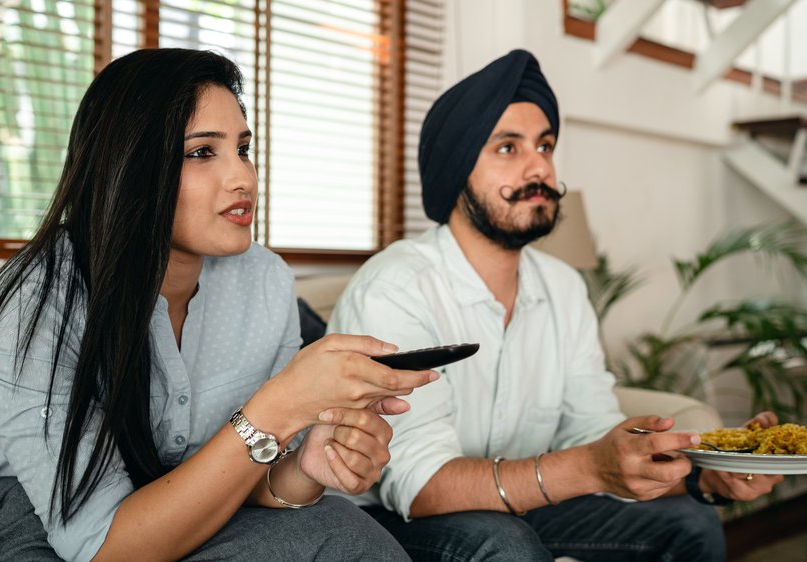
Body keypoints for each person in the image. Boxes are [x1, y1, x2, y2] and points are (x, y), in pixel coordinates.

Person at [0, 48, 437, 562]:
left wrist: (307, 467)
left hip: (170, 511)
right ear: (129, 166)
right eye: (203, 152)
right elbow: (101, 544)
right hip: (16, 525)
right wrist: (277, 406)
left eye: (243, 148)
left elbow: (247, 478)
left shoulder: (265, 281)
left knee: (341, 531)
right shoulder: (35, 301)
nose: (244, 177)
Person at [327, 49, 783, 562]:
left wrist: (701, 471)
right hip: (392, 519)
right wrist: (589, 467)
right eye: (508, 148)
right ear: (457, 169)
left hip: (519, 502)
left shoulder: (563, 288)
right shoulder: (397, 288)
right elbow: (419, 484)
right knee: (502, 543)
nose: (540, 165)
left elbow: (589, 432)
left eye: (545, 145)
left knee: (688, 522)